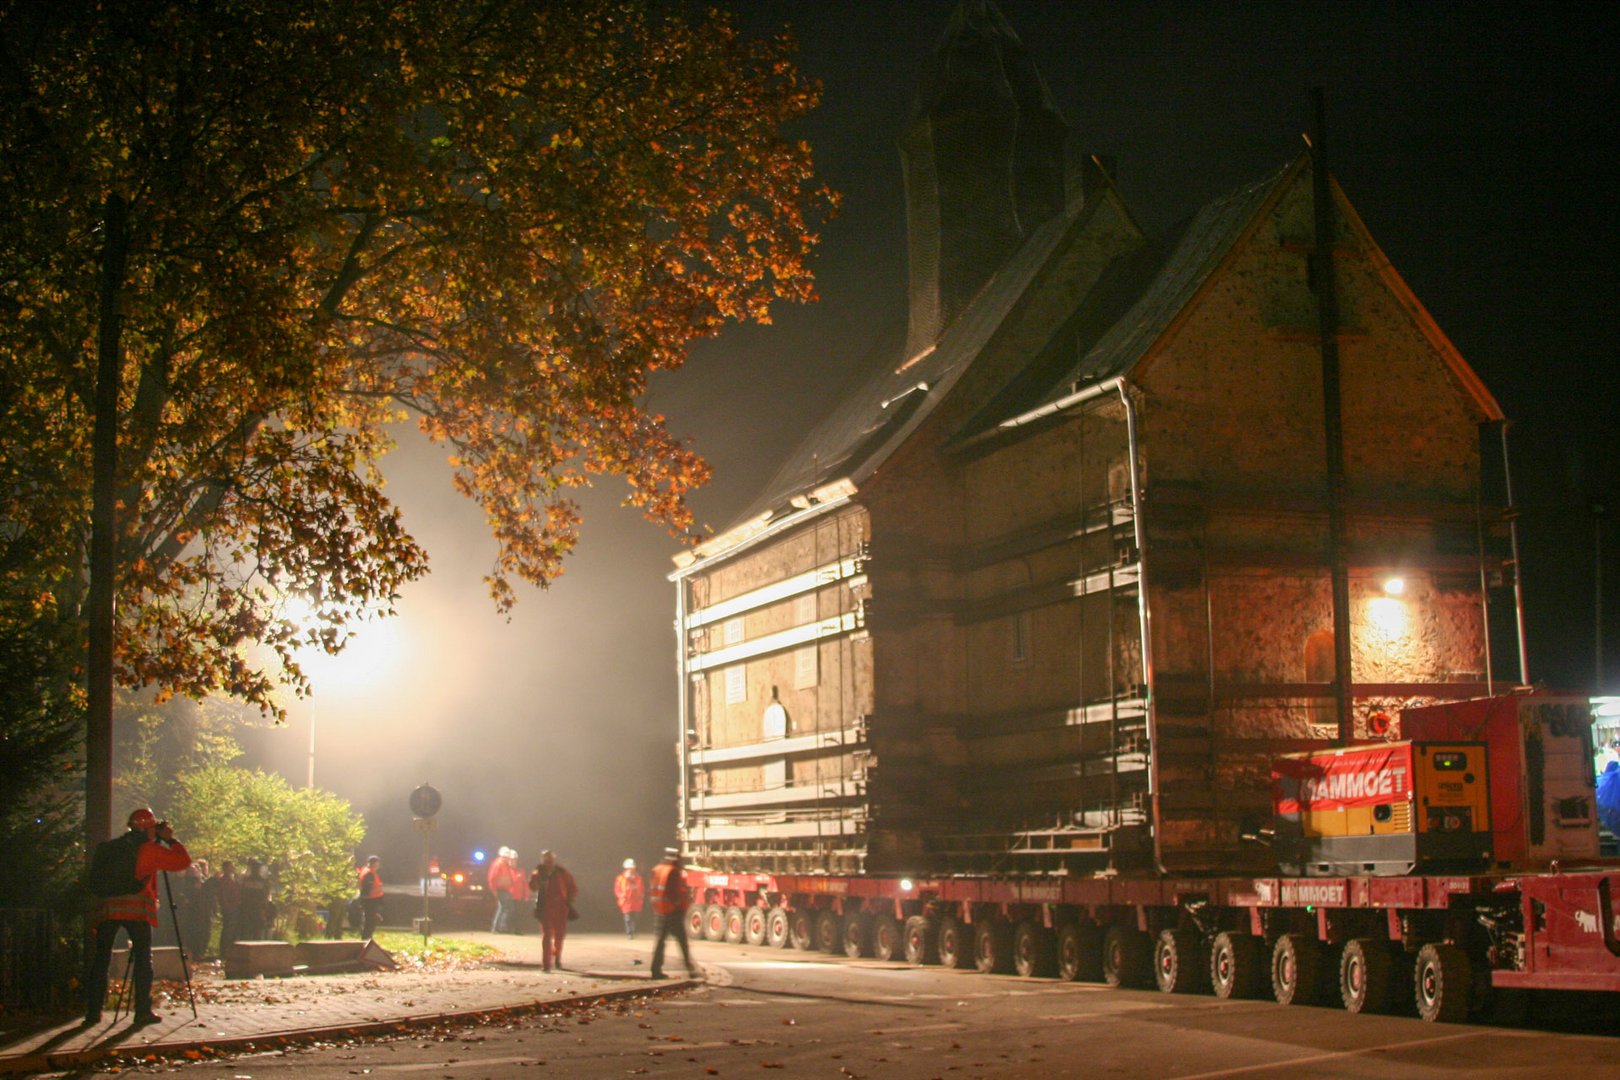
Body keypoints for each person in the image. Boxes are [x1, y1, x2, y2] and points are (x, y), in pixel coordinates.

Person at [82, 807, 192, 1027]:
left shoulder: (114, 848)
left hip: (109, 910)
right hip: (137, 912)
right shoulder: (149, 850)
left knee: (101, 960)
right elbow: (182, 862)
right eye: (152, 827)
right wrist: (170, 840)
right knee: (143, 961)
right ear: (145, 828)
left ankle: (93, 1012)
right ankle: (142, 1011)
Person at [648, 847, 698, 981]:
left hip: (659, 910)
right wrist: (680, 906)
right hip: (672, 912)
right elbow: (673, 893)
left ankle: (655, 970)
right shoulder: (673, 872)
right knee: (682, 941)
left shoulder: (656, 869)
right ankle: (690, 969)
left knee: (660, 942)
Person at [528, 850, 578, 972]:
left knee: (558, 935)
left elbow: (572, 887)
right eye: (546, 861)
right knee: (547, 936)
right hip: (545, 908)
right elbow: (532, 887)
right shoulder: (538, 872)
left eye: (549, 860)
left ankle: (556, 957)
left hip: (560, 908)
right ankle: (547, 963)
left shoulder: (562, 873)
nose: (548, 863)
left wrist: (569, 900)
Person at [237, 858, 272, 940]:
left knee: (249, 932)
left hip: (249, 910)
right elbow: (266, 897)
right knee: (255, 932)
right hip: (253, 910)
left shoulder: (246, 881)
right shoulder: (264, 882)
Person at [614, 858, 645, 939]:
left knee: (635, 918)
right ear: (626, 868)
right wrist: (621, 895)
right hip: (625, 901)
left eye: (632, 868)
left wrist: (641, 896)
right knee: (627, 918)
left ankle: (632, 931)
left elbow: (641, 888)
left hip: (636, 902)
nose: (631, 870)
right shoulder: (620, 878)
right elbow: (617, 889)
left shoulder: (638, 878)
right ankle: (629, 933)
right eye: (629, 868)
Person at [357, 855, 385, 940]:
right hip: (371, 901)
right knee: (370, 921)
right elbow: (367, 888)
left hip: (371, 900)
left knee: (370, 920)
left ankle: (367, 937)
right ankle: (366, 938)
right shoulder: (369, 873)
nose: (378, 865)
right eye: (377, 864)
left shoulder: (368, 871)